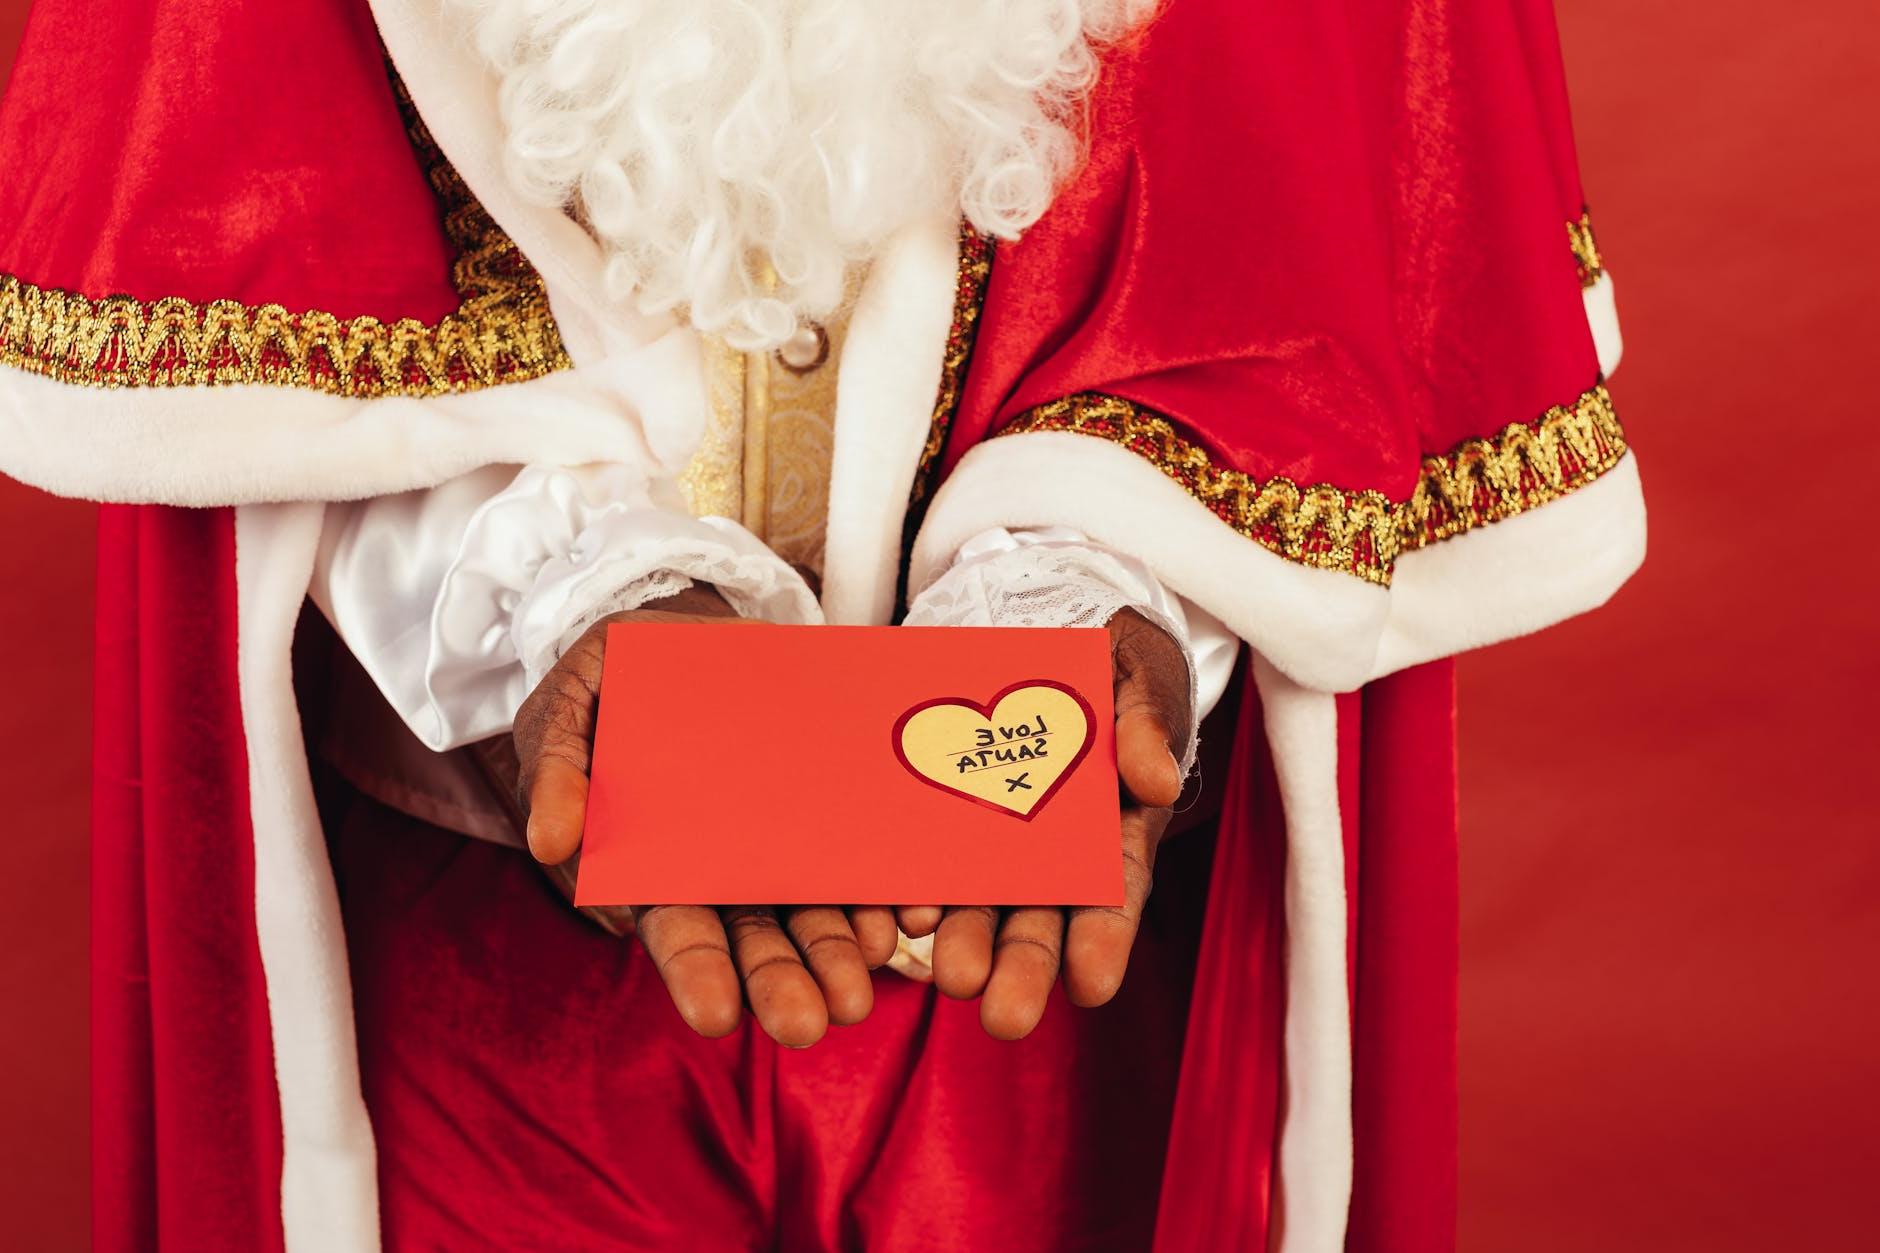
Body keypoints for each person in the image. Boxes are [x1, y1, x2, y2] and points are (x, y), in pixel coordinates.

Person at [0, 0, 1643, 1248]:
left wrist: (1101, 582)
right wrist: (550, 593)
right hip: (475, 969)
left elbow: (1305, 223)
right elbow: (262, 231)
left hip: (1059, 987)